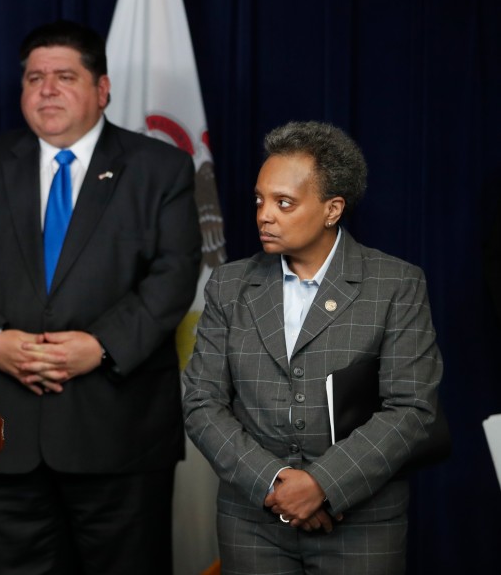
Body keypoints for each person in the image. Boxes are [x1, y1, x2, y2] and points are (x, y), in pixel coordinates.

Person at [0, 20, 202, 574]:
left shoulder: (161, 169)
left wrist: (100, 346)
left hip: (118, 432)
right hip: (2, 434)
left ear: (102, 90)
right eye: (34, 78)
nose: (47, 90)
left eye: (64, 76)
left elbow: (174, 276)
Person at [182, 121, 443, 574]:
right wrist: (276, 482)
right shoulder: (229, 285)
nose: (265, 214)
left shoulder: (396, 283)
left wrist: (322, 484)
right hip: (253, 522)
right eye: (260, 200)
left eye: (284, 203)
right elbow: (202, 402)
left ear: (332, 209)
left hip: (362, 523)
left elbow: (412, 408)